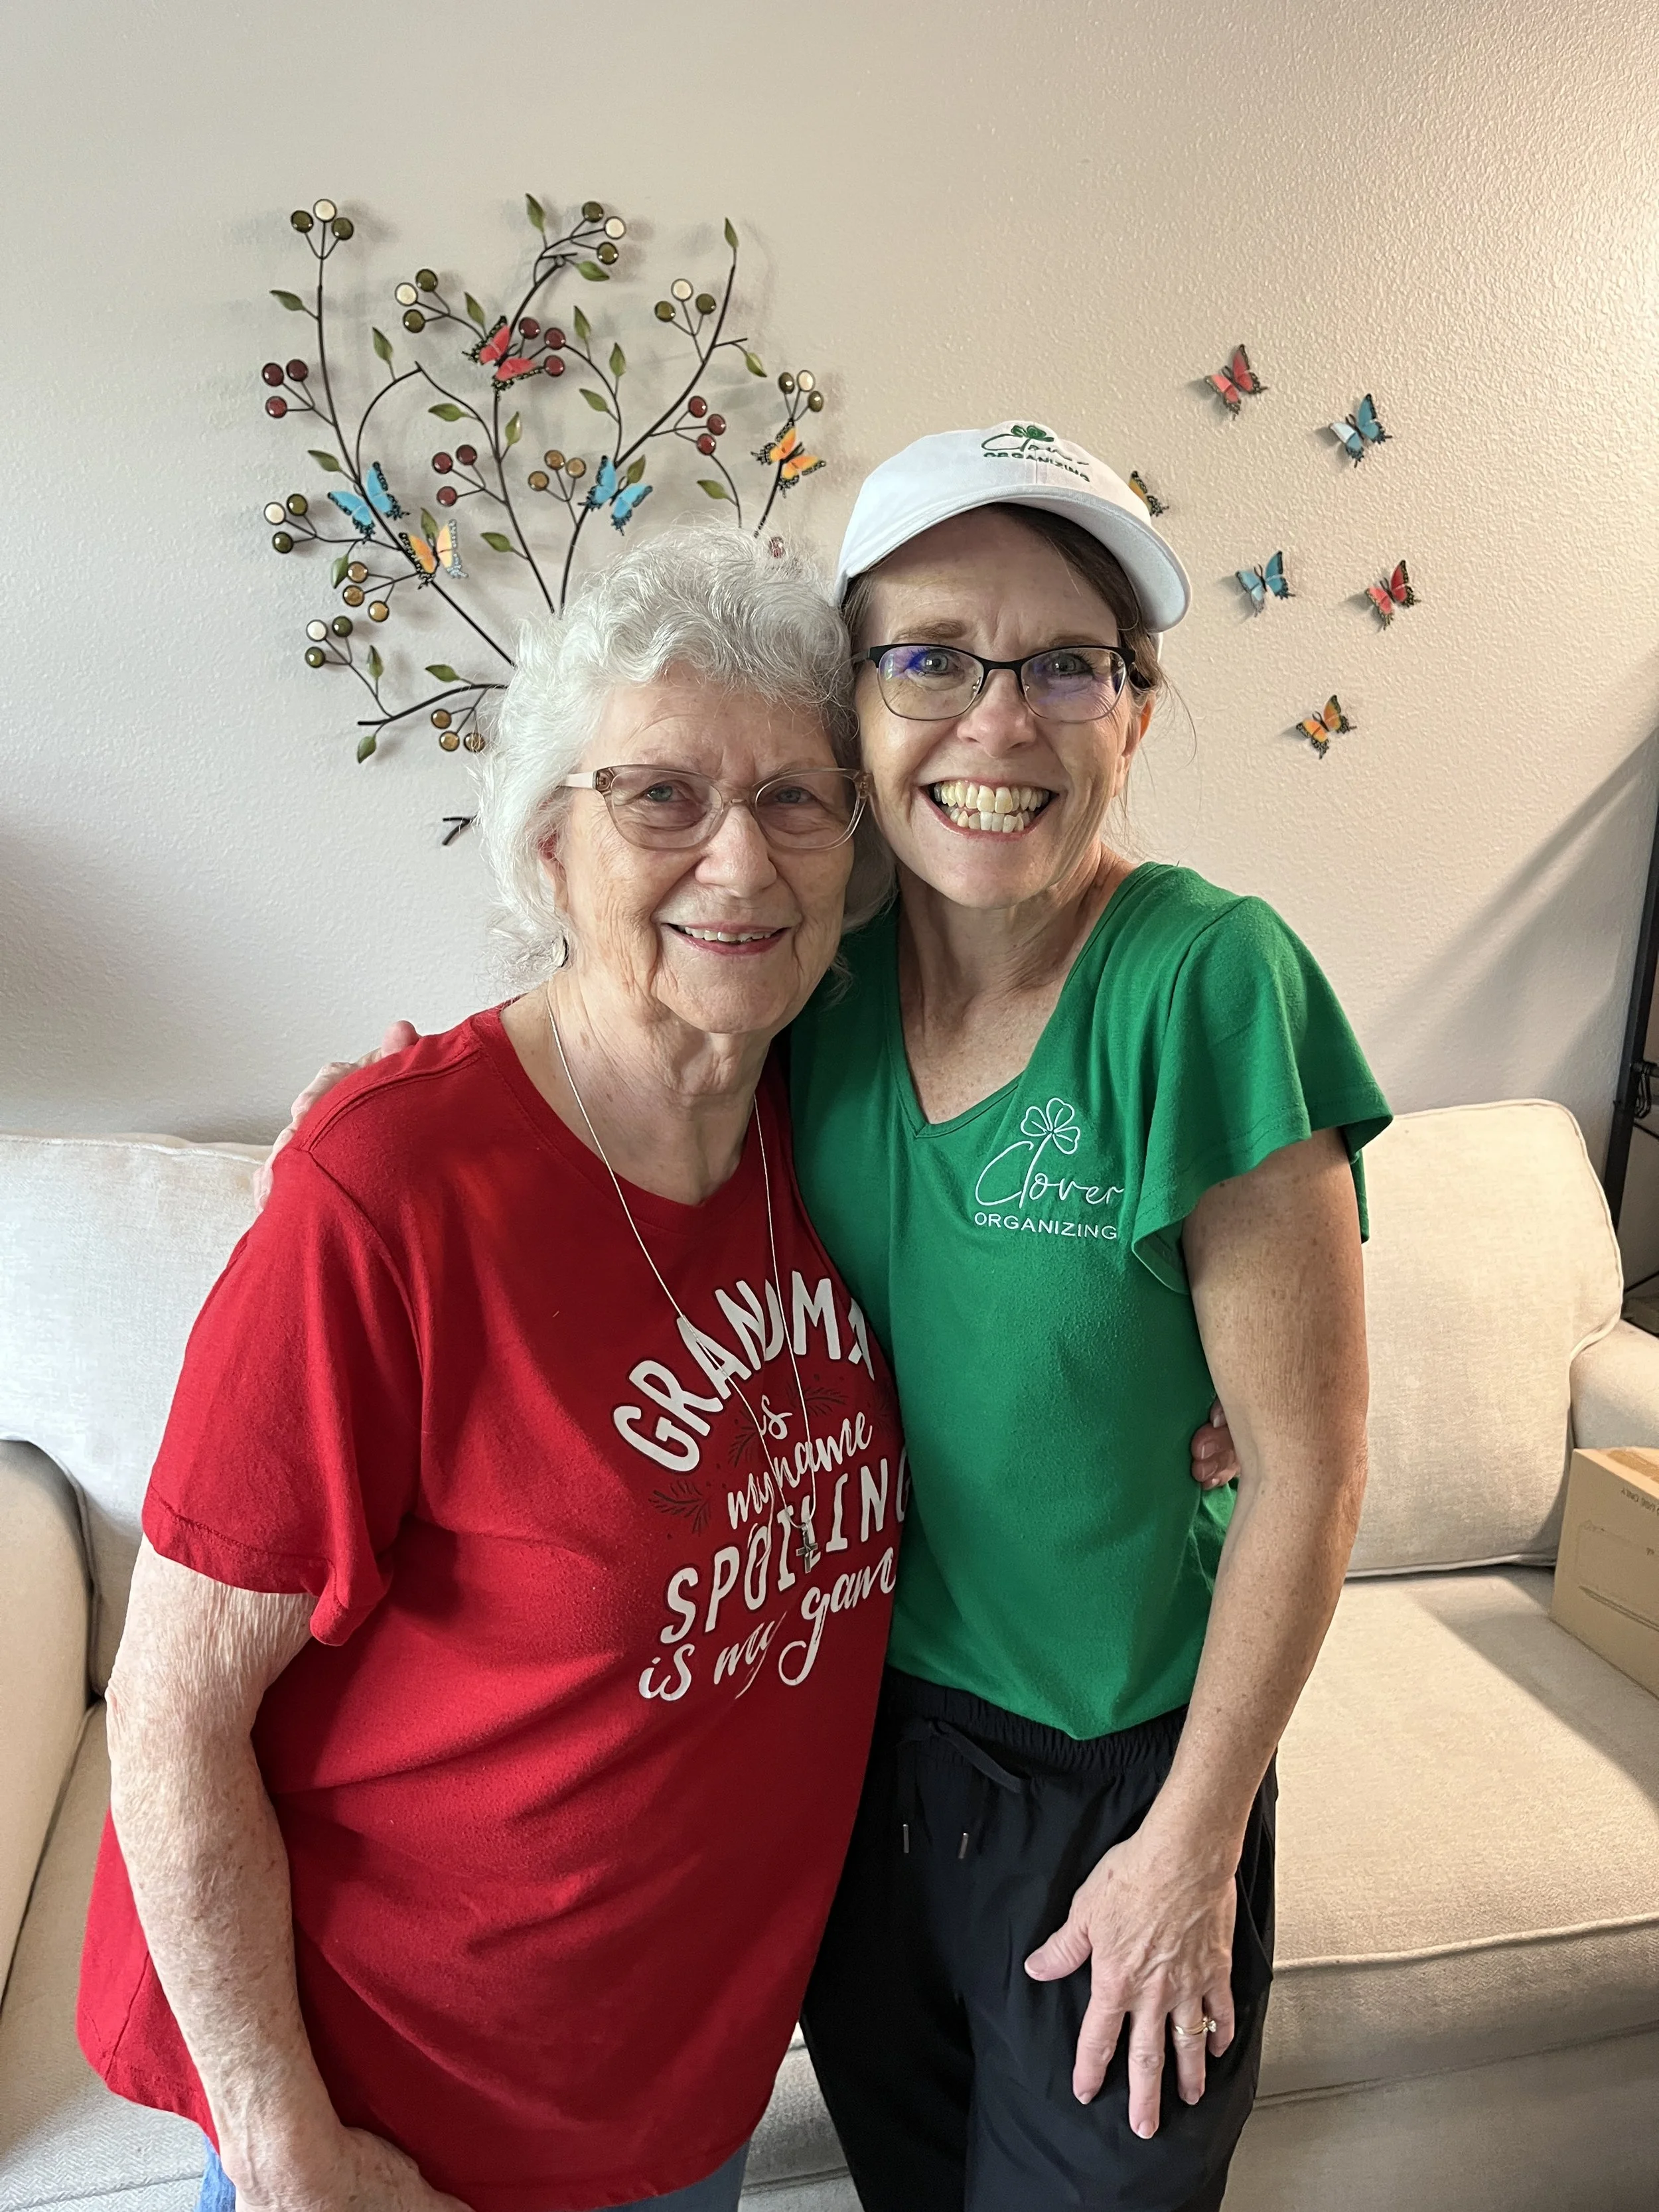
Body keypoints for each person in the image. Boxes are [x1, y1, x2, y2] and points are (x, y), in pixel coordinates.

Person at [257, 422, 1388, 2212]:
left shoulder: (1201, 976)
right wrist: (370, 1112)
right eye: (930, 656)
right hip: (861, 1757)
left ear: (1134, 711)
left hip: (1119, 1771)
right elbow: (603, 1034)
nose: (994, 722)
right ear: (859, 713)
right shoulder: (812, 996)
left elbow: (1312, 1465)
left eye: (1064, 665)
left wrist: (1190, 1843)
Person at [78, 530, 912, 2212]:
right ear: (548, 844)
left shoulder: (843, 1127)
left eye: (796, 799)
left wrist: (1192, 1401)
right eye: (658, 796)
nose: (736, 863)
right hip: (406, 2118)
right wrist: (286, 2146)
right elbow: (169, 1718)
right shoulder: (388, 1195)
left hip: (687, 2091)